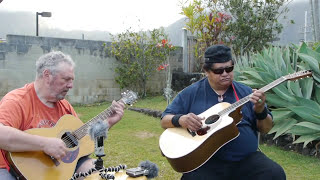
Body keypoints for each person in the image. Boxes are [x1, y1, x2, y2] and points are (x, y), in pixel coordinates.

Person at [161, 44, 286, 180]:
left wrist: (260, 111)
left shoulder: (247, 93)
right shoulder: (190, 93)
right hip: (206, 163)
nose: (225, 74)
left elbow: (266, 128)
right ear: (206, 71)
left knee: (275, 174)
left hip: (246, 160)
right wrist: (181, 119)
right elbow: (165, 119)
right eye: (219, 71)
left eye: (229, 68)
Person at [0, 51, 125, 180]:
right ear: (47, 75)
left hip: (59, 167)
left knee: (97, 175)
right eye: (66, 79)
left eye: (72, 80)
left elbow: (81, 140)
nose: (71, 85)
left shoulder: (65, 106)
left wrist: (107, 123)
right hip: (10, 168)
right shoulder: (17, 101)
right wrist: (44, 144)